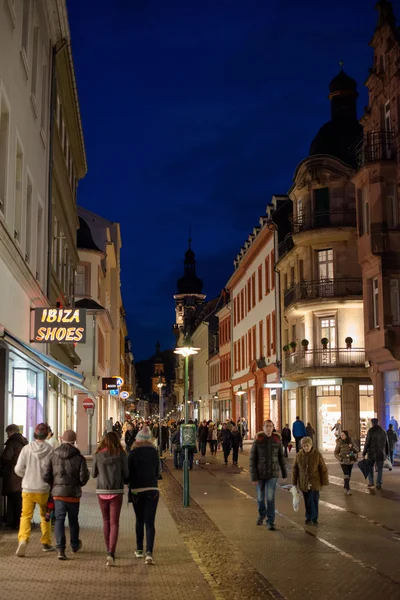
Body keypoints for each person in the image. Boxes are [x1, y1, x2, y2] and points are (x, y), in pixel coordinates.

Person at [42, 430, 89, 560]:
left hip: (58, 495)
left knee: (59, 520)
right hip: (73, 494)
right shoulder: (79, 457)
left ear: (61, 439)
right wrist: (77, 484)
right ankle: (74, 545)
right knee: (73, 520)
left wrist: (54, 484)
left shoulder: (52, 455)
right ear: (74, 441)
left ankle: (60, 550)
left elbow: (45, 474)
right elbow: (84, 478)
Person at [14, 423, 54, 557]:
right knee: (45, 516)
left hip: (28, 489)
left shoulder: (26, 449)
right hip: (44, 489)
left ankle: (23, 540)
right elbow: (53, 470)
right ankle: (46, 542)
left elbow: (18, 469)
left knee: (25, 516)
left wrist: (26, 474)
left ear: (34, 434)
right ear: (47, 434)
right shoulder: (50, 450)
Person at [92, 431, 128, 567]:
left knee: (105, 521)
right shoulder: (122, 455)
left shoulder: (98, 455)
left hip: (101, 491)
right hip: (116, 491)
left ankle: (108, 549)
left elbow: (93, 474)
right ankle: (111, 552)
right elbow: (127, 473)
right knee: (114, 523)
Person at [128, 426, 160, 565]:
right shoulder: (154, 452)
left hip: (137, 489)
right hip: (152, 489)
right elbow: (158, 472)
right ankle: (149, 553)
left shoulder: (133, 452)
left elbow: (128, 472)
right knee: (150, 522)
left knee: (139, 520)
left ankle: (139, 549)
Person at [249, 420, 287, 531]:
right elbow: (252, 460)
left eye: (271, 426)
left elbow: (281, 458)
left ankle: (270, 521)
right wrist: (254, 477)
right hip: (260, 475)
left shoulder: (277, 440)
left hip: (272, 474)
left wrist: (284, 473)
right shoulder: (258, 441)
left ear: (273, 427)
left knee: (270, 498)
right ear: (263, 427)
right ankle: (261, 515)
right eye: (267, 426)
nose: (269, 428)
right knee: (260, 498)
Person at [292, 436, 329, 525]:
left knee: (314, 500)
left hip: (315, 482)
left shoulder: (317, 454)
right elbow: (295, 469)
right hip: (304, 482)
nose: (306, 448)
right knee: (307, 501)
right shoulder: (299, 455)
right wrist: (294, 483)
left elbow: (323, 468)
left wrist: (324, 481)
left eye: (307, 445)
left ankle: (314, 517)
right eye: (304, 446)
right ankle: (308, 516)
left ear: (311, 445)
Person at [0, 424, 28, 530]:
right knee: (19, 499)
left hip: (13, 474)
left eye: (8, 433)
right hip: (21, 474)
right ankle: (17, 522)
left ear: (12, 432)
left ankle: (15, 523)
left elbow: (7, 457)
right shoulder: (24, 442)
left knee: (14, 499)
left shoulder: (13, 442)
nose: (7, 435)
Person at [363, 417, 389, 490]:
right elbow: (387, 443)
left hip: (371, 453)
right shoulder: (383, 431)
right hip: (380, 453)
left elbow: (367, 443)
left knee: (369, 468)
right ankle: (379, 483)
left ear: (372, 423)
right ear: (378, 422)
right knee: (380, 469)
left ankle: (371, 482)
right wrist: (387, 453)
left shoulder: (370, 431)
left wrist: (364, 452)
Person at [334, 430, 358, 495]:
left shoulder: (350, 441)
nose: (342, 436)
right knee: (346, 474)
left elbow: (357, 450)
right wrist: (340, 459)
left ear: (346, 435)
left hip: (350, 460)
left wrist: (352, 447)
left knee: (349, 475)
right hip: (343, 461)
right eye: (341, 435)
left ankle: (345, 486)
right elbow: (335, 452)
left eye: (343, 435)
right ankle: (348, 489)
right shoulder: (339, 443)